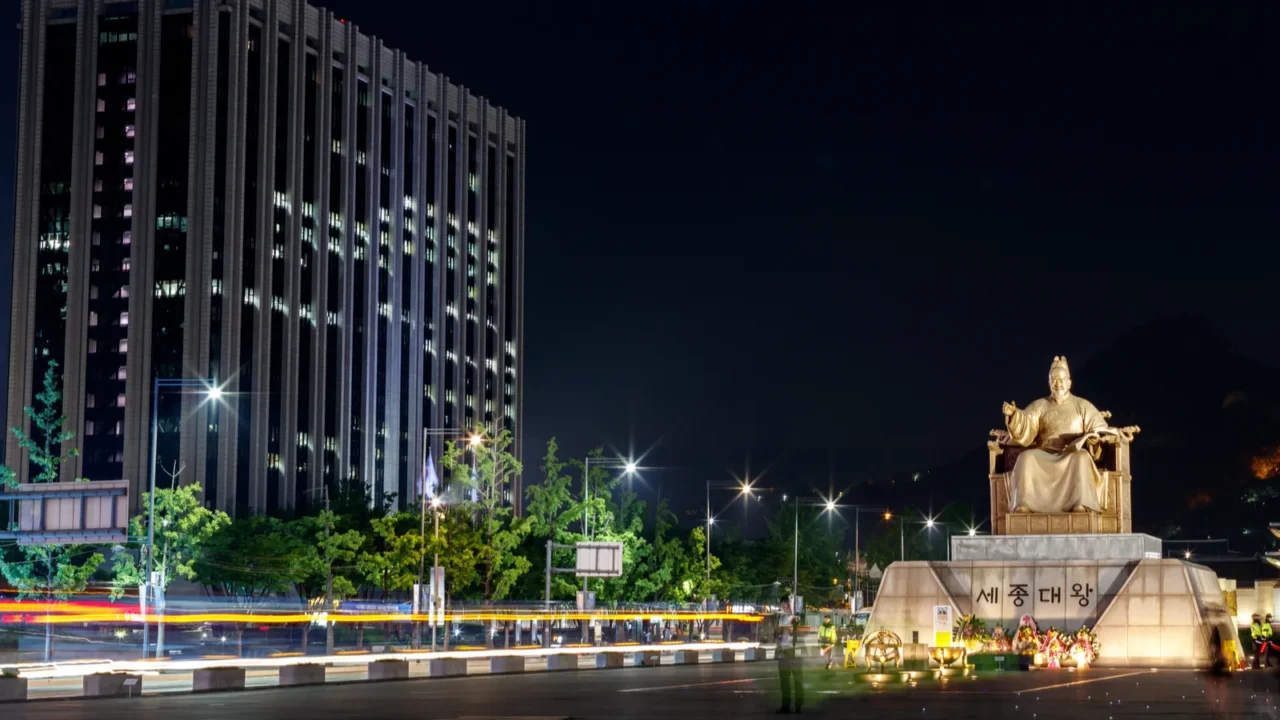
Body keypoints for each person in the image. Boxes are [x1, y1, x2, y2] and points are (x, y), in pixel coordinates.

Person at [776, 616, 804, 714]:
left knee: (798, 683)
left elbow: (800, 649)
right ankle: (786, 706)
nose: (788, 627)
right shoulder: (782, 634)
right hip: (784, 661)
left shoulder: (798, 634)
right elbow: (779, 645)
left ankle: (798, 705)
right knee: (785, 684)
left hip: (794, 661)